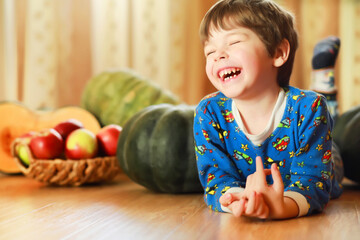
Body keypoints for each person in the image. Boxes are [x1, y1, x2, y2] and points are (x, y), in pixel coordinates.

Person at [193, 0, 343, 220]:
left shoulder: (309, 107)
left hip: (324, 156)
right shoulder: (208, 112)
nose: (218, 55)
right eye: (209, 51)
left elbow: (314, 181)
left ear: (278, 52)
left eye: (233, 42)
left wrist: (281, 207)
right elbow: (217, 179)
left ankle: (325, 85)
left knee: (343, 140)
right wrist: (238, 200)